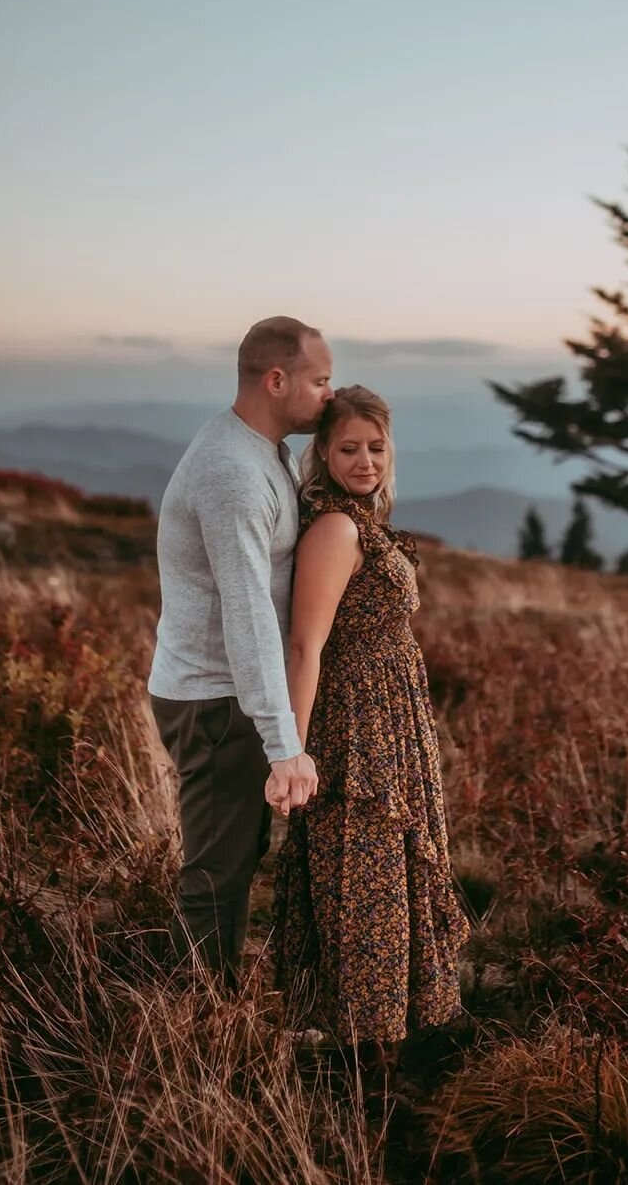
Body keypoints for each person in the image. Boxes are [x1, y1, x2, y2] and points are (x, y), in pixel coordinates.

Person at [271, 385, 470, 1093]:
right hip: (357, 729)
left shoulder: (361, 518)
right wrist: (290, 752)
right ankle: (370, 1061)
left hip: (391, 721)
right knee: (366, 880)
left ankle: (394, 1040)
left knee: (392, 875)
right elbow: (305, 645)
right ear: (323, 453)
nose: (364, 460)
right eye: (349, 447)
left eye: (375, 447)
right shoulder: (335, 529)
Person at [147, 316, 332, 991]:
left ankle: (207, 1007)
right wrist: (284, 744)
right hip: (214, 696)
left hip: (222, 692)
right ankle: (196, 1026)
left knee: (233, 856)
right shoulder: (232, 473)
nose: (328, 395)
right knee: (217, 872)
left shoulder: (262, 449)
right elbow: (248, 614)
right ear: (275, 380)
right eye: (319, 380)